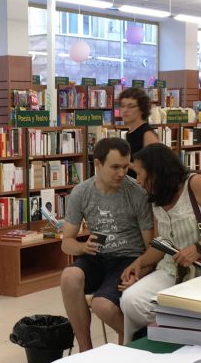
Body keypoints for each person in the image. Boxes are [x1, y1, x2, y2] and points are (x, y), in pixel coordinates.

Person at [119, 144, 201, 340]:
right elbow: (163, 244)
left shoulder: (194, 184)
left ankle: (171, 339)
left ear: (156, 171)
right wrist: (140, 263)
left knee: (190, 308)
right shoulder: (156, 196)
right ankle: (147, 343)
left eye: (140, 173)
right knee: (131, 301)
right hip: (172, 269)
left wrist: (198, 248)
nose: (139, 180)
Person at [60, 137, 153, 351]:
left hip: (129, 260)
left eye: (125, 167)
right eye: (115, 167)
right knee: (69, 276)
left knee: (102, 305)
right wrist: (83, 247)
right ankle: (86, 351)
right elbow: (67, 243)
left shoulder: (136, 194)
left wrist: (141, 272)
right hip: (97, 257)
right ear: (98, 164)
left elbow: (150, 248)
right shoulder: (81, 192)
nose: (121, 173)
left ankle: (139, 344)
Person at [118, 86, 159, 178]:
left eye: (131, 106)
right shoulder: (130, 133)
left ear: (142, 109)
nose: (125, 110)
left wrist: (125, 164)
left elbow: (154, 168)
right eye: (123, 106)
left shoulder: (147, 134)